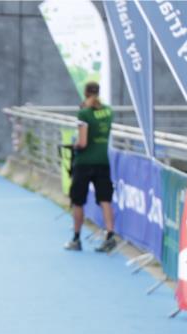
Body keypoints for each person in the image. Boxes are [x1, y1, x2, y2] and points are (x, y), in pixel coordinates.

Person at [65, 81, 116, 253]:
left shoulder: (84, 114)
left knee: (78, 201)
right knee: (105, 200)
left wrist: (74, 146)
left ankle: (76, 238)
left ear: (85, 93)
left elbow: (83, 142)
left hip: (84, 162)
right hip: (102, 161)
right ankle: (109, 236)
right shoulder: (108, 111)